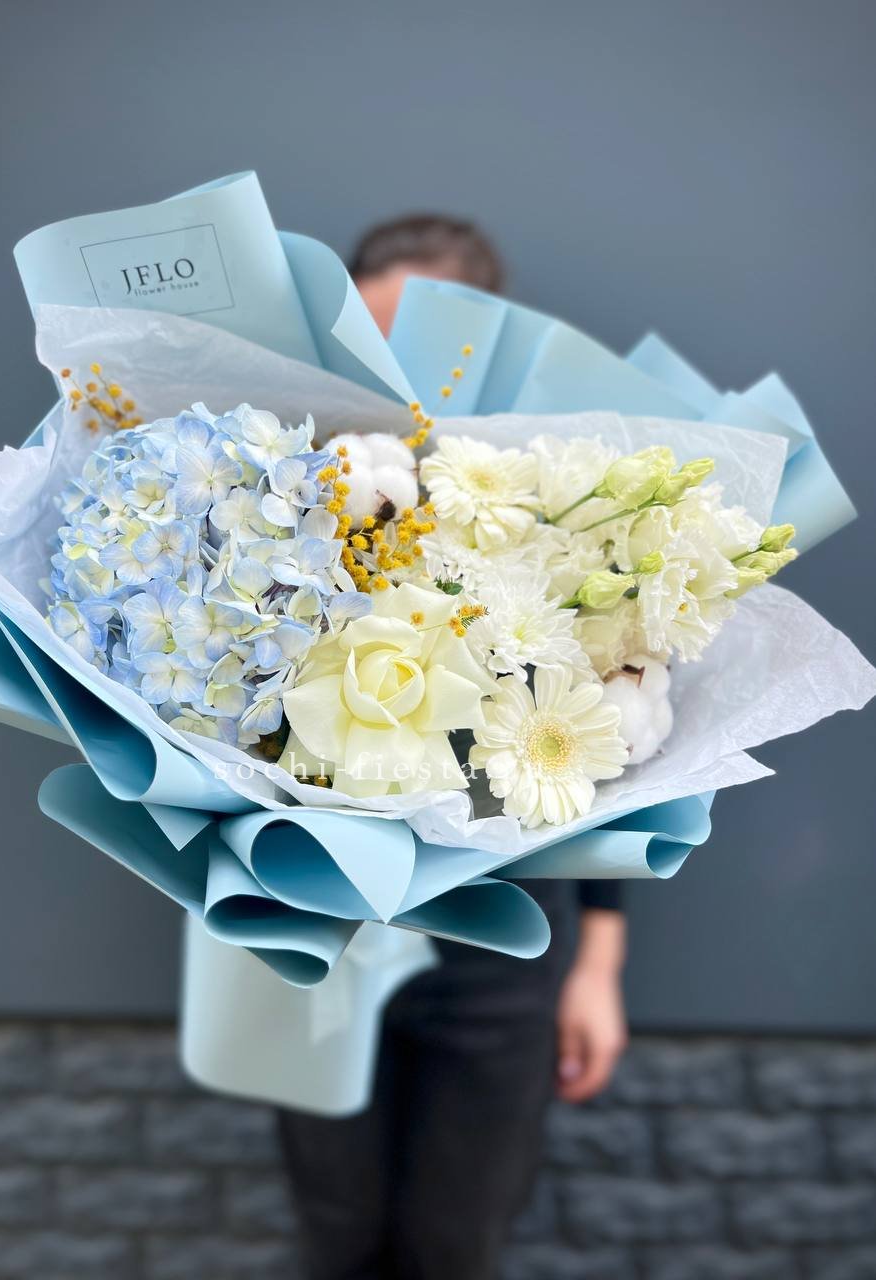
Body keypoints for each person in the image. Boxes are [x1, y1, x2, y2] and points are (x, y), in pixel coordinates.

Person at [276, 214, 628, 1280]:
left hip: (502, 948)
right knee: (337, 1234)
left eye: (426, 344)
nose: (398, 374)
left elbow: (610, 756)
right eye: (373, 341)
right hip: (328, 930)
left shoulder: (560, 513)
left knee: (456, 1243)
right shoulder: (299, 497)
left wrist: (597, 966)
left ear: (490, 343)